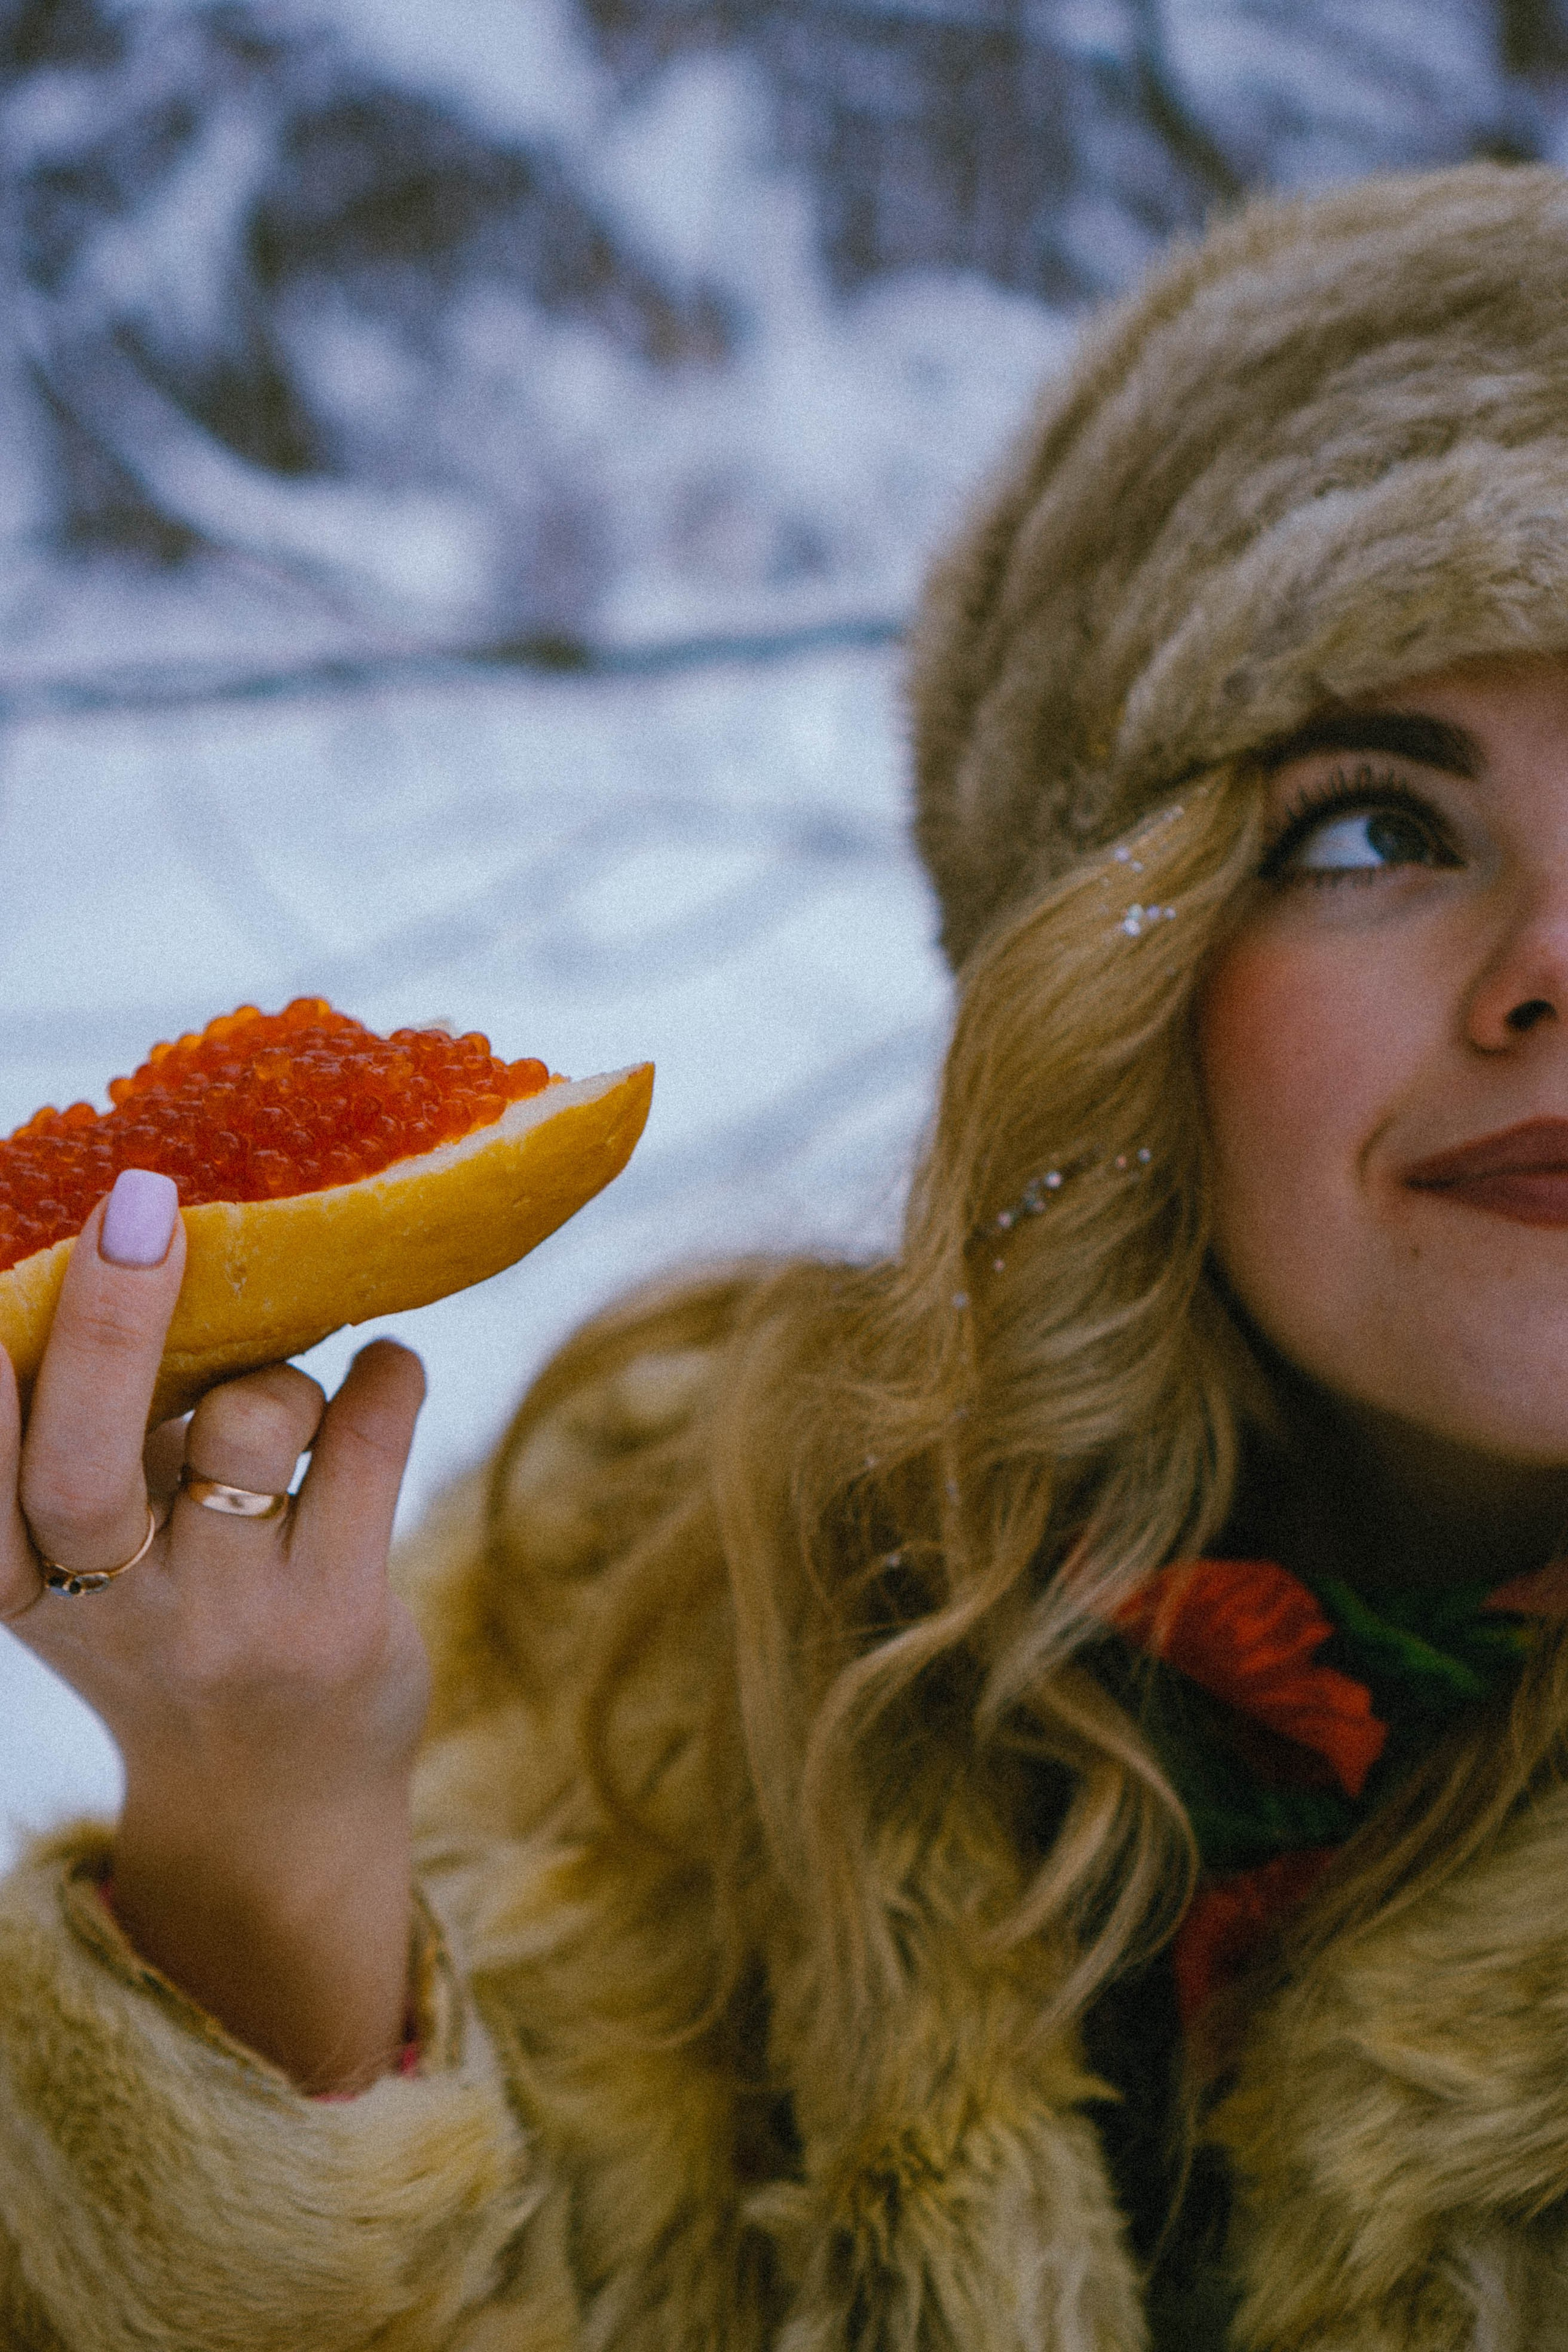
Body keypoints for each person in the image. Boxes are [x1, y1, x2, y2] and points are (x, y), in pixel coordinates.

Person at [2, 157, 1568, 2351]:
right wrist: (262, 1851)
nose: (1553, 967)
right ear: (1111, 978)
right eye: (1376, 829)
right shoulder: (642, 1646)